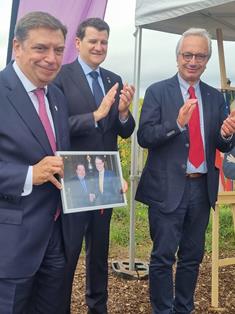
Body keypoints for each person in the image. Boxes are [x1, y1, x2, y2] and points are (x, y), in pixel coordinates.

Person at [135, 28, 235, 314]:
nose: (193, 60)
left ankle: (184, 308)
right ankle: (162, 310)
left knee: (192, 257)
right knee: (163, 257)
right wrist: (177, 124)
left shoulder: (215, 97)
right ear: (177, 57)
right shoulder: (157, 91)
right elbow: (145, 136)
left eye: (200, 55)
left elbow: (221, 141)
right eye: (187, 54)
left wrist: (227, 134)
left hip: (200, 190)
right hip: (166, 190)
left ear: (207, 60)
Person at [54, 17, 135, 314]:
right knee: (68, 254)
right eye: (93, 41)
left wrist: (124, 113)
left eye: (104, 42)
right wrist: (96, 115)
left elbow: (124, 131)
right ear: (77, 43)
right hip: (73, 183)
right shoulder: (60, 77)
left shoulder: (113, 78)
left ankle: (97, 307)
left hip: (106, 182)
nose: (99, 47)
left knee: (99, 254)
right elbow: (57, 126)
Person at [0, 11, 70, 314]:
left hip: (56, 236)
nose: (51, 59)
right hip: (11, 243)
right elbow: (39, 169)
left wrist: (101, 180)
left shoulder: (56, 95)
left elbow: (59, 160)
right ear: (17, 47)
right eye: (41, 48)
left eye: (58, 50)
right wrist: (28, 175)